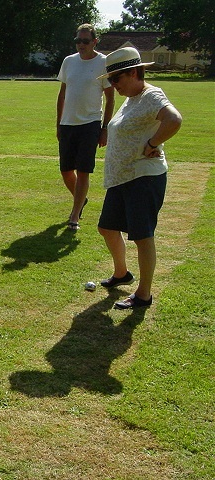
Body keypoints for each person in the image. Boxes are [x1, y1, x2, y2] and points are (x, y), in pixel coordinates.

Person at [96, 47, 182, 309]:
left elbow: (174, 120)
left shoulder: (151, 94)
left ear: (134, 72)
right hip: (123, 177)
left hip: (143, 177)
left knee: (142, 235)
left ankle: (144, 295)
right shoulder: (131, 97)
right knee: (107, 227)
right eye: (110, 80)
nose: (113, 85)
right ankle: (122, 273)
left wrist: (153, 142)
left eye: (116, 79)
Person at [56, 24, 115, 231]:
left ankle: (74, 216)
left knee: (83, 171)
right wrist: (58, 123)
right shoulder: (69, 61)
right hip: (68, 123)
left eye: (85, 41)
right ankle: (81, 200)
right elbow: (62, 93)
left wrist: (105, 128)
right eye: (78, 41)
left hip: (90, 124)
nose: (81, 45)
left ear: (95, 42)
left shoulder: (103, 62)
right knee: (65, 170)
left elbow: (110, 98)